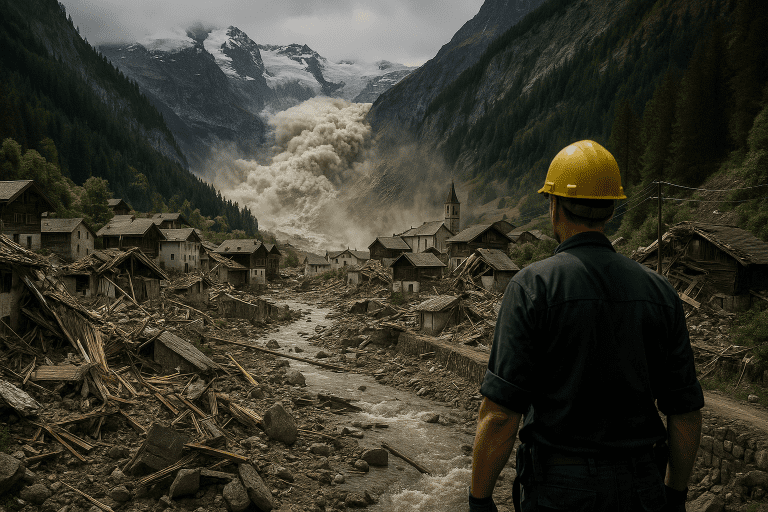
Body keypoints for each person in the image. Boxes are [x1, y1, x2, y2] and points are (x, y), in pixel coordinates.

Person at [468, 140, 704, 512]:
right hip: (642, 489)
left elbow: (499, 416)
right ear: (610, 210)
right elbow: (686, 414)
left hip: (559, 491)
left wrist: (479, 501)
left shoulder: (532, 287)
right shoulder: (661, 292)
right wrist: (674, 496)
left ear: (554, 206)